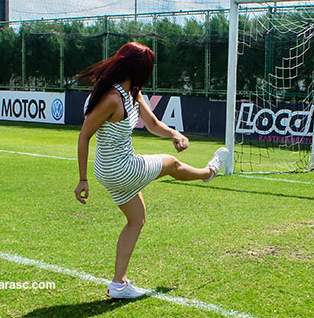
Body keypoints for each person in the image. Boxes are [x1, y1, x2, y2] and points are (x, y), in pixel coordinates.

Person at [74, 41, 229, 299]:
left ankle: (118, 284)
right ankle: (208, 173)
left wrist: (174, 134)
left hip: (111, 170)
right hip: (120, 168)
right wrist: (82, 179)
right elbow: (84, 136)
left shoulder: (131, 92)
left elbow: (152, 123)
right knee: (170, 163)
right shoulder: (112, 98)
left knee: (137, 219)